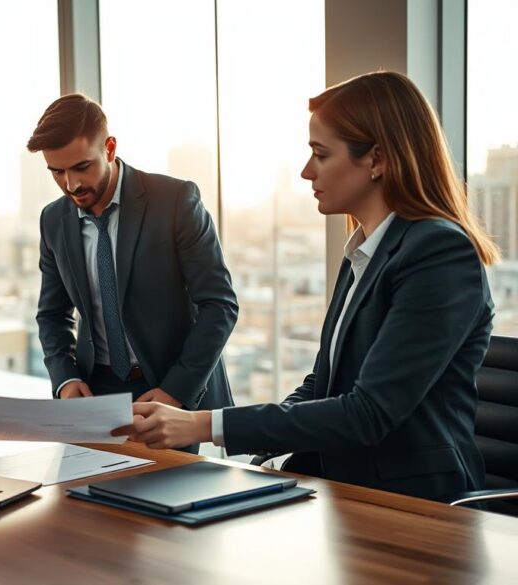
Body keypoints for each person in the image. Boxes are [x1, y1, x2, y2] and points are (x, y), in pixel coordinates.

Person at [114, 71, 498, 502]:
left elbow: (368, 413)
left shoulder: (439, 253)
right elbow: (323, 385)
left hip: (414, 506)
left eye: (320, 154)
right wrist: (255, 445)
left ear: (377, 159)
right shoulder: (365, 252)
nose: (305, 171)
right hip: (342, 488)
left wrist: (204, 425)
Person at [29, 94, 238, 454]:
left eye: (81, 167)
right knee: (90, 505)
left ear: (109, 148)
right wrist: (66, 379)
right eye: (57, 172)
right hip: (97, 394)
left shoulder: (175, 201)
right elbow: (52, 315)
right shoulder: (53, 220)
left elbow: (219, 305)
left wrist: (176, 390)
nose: (71, 184)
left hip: (174, 388)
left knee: (172, 503)